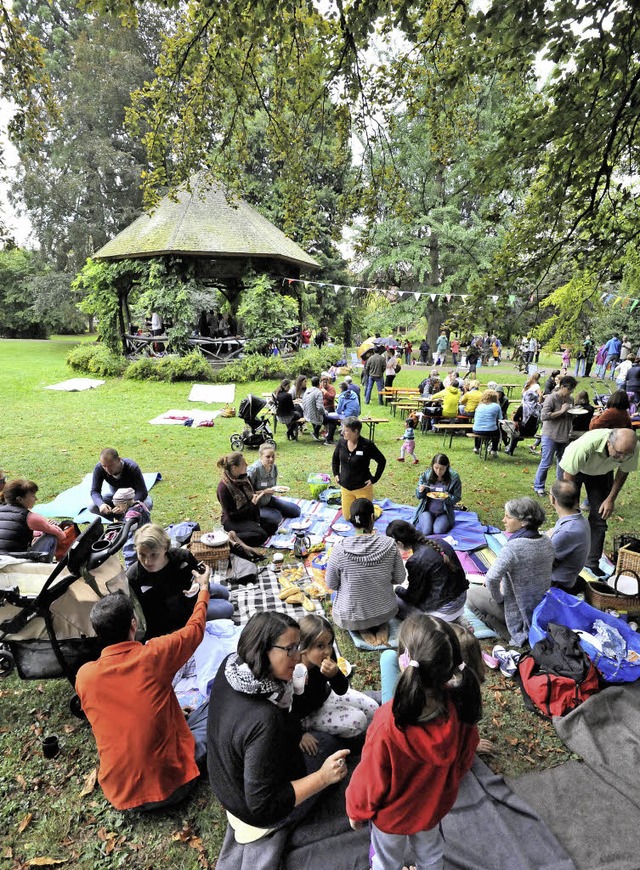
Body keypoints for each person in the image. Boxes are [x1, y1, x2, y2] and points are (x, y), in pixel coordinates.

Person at [346, 614, 480, 870]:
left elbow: (369, 780)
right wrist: (444, 788)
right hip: (432, 811)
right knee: (431, 857)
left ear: (403, 660)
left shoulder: (387, 723)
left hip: (390, 820)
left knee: (385, 862)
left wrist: (356, 810)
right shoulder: (463, 708)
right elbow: (465, 758)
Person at [207, 612, 350, 841]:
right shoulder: (265, 719)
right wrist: (323, 777)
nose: (298, 656)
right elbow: (262, 805)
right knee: (329, 748)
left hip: (226, 783)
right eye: (291, 649)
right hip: (255, 813)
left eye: (299, 647)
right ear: (264, 649)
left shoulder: (232, 666)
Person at [75, 581, 210, 811]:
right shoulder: (154, 654)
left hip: (121, 794)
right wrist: (204, 589)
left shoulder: (84, 676)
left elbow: (131, 709)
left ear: (97, 633)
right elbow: (195, 629)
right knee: (215, 706)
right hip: (172, 786)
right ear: (133, 623)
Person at [467, 497, 554, 646]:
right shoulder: (547, 542)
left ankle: (506, 632)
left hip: (517, 612)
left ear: (524, 522)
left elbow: (491, 579)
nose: (503, 520)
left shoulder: (513, 547)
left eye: (508, 516)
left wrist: (499, 598)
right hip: (541, 607)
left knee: (469, 595)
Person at [127, 524, 233, 638]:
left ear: (165, 548)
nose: (147, 561)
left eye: (154, 555)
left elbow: (197, 573)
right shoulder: (134, 576)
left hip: (192, 597)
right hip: (176, 616)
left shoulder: (182, 557)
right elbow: (143, 617)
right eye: (142, 555)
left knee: (224, 593)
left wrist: (197, 584)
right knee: (227, 608)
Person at [325, 498, 405, 647]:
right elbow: (400, 578)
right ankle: (381, 624)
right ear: (373, 518)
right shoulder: (389, 544)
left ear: (350, 520)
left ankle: (361, 627)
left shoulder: (339, 549)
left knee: (336, 595)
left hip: (352, 616)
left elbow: (331, 584)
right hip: (385, 610)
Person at [559, 428, 639, 575]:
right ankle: (564, 558)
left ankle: (591, 562)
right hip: (574, 471)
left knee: (600, 517)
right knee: (570, 518)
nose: (622, 458)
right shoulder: (584, 446)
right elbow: (568, 476)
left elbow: (623, 472)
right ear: (609, 443)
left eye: (626, 455)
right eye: (619, 453)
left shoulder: (631, 448)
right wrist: (573, 505)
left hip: (601, 473)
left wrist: (610, 499)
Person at [292, 615, 378, 743]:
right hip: (305, 716)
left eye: (330, 643)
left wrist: (335, 675)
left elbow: (341, 689)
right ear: (304, 648)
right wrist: (299, 733)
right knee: (358, 720)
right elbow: (284, 707)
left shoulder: (327, 657)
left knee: (373, 707)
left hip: (326, 696)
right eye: (320, 646)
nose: (327, 651)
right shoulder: (293, 669)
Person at [386, 521, 468, 623]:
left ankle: (444, 624)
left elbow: (412, 597)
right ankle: (456, 619)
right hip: (461, 600)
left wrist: (398, 589)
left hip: (443, 610)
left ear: (399, 543)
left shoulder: (415, 560)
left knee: (393, 600)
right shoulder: (439, 541)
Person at [216, 452, 278, 546]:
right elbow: (232, 515)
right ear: (234, 468)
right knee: (261, 535)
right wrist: (252, 504)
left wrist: (259, 495)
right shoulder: (224, 488)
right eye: (243, 463)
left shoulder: (244, 478)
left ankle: (249, 531)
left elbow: (252, 494)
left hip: (249, 515)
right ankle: (228, 537)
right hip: (233, 521)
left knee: (273, 525)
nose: (246, 465)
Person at [331, 417, 386, 519]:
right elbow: (335, 459)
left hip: (362, 487)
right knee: (348, 517)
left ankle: (375, 509)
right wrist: (336, 474)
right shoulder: (341, 443)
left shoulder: (367, 445)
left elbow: (382, 461)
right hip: (346, 487)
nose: (343, 432)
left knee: (363, 519)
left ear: (356, 431)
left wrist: (375, 478)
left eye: (346, 430)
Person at [533, 375, 577, 496]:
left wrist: (574, 413)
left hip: (564, 435)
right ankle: (539, 486)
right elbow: (544, 416)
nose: (570, 392)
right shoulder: (551, 398)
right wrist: (561, 411)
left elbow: (570, 416)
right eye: (569, 389)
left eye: (572, 390)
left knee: (562, 463)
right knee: (546, 462)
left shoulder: (570, 400)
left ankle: (560, 487)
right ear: (562, 387)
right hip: (550, 435)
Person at [0, 478, 68, 557]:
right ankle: (45, 566)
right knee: (51, 536)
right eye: (32, 496)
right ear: (20, 499)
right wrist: (52, 527)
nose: (36, 499)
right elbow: (61, 535)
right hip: (14, 560)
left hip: (2, 560)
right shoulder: (29, 517)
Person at [547, 480, 591, 593]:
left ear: (552, 499)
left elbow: (543, 561)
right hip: (568, 577)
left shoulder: (567, 531)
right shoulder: (578, 518)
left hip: (557, 585)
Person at [247, 444, 301, 528]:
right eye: (267, 457)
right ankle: (257, 516)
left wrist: (276, 490)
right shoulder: (253, 471)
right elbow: (246, 493)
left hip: (268, 500)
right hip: (256, 505)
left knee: (296, 511)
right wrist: (263, 492)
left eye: (273, 456)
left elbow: (273, 486)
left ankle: (270, 512)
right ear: (261, 456)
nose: (271, 459)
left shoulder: (274, 468)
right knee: (276, 518)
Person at [90, 448, 151, 517]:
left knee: (147, 503)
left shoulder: (132, 467)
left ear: (119, 459)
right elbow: (95, 491)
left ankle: (133, 520)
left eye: (110, 465)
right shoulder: (99, 468)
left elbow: (142, 491)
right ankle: (120, 521)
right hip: (116, 498)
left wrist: (129, 504)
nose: (107, 470)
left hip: (132, 497)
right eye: (104, 466)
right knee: (93, 507)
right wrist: (101, 504)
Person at [413, 453, 462, 535]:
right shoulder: (426, 475)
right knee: (426, 531)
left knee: (438, 531)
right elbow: (419, 496)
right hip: (427, 510)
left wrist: (447, 497)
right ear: (432, 465)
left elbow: (457, 497)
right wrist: (420, 490)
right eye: (436, 468)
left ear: (447, 467)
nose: (438, 471)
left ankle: (442, 522)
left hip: (444, 512)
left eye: (442, 469)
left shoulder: (454, 478)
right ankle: (427, 521)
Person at [111, 486, 151, 569]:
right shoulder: (140, 504)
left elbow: (131, 527)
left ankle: (130, 568)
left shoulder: (131, 513)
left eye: (118, 506)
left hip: (137, 535)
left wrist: (121, 524)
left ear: (125, 503)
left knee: (129, 550)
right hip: (149, 529)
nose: (117, 508)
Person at [302, 376, 338, 443]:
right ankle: (329, 440)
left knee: (325, 416)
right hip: (314, 416)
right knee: (334, 420)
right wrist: (325, 412)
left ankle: (316, 433)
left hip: (307, 414)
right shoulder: (318, 392)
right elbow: (320, 408)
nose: (324, 383)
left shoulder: (308, 390)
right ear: (319, 383)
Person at [471, 389, 502, 456]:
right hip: (490, 430)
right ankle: (494, 449)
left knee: (479, 428)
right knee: (497, 432)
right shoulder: (496, 406)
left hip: (476, 429)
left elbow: (475, 418)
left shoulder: (479, 406)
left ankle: (477, 447)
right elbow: (500, 418)